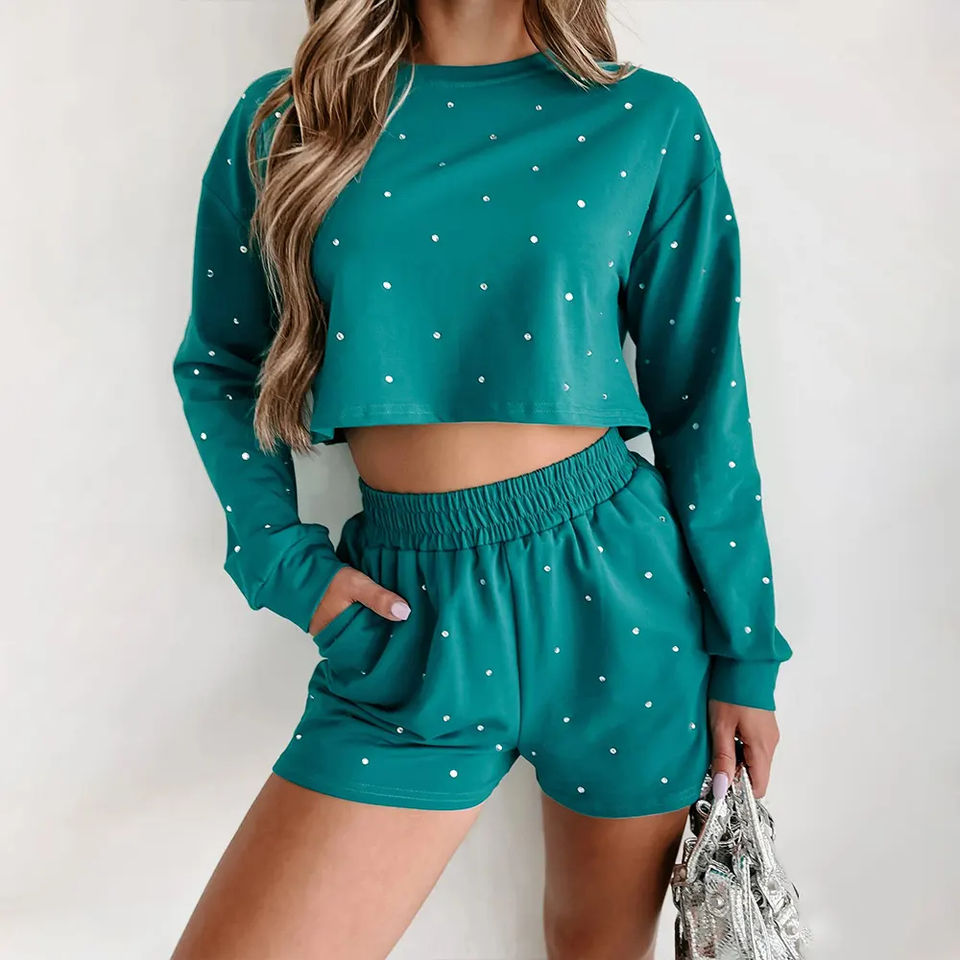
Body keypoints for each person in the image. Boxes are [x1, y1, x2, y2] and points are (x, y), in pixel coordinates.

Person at [170, 4, 793, 958]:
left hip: (620, 603)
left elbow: (705, 401)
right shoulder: (289, 124)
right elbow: (222, 365)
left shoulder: (646, 118)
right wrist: (287, 569)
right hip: (403, 618)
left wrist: (746, 655)